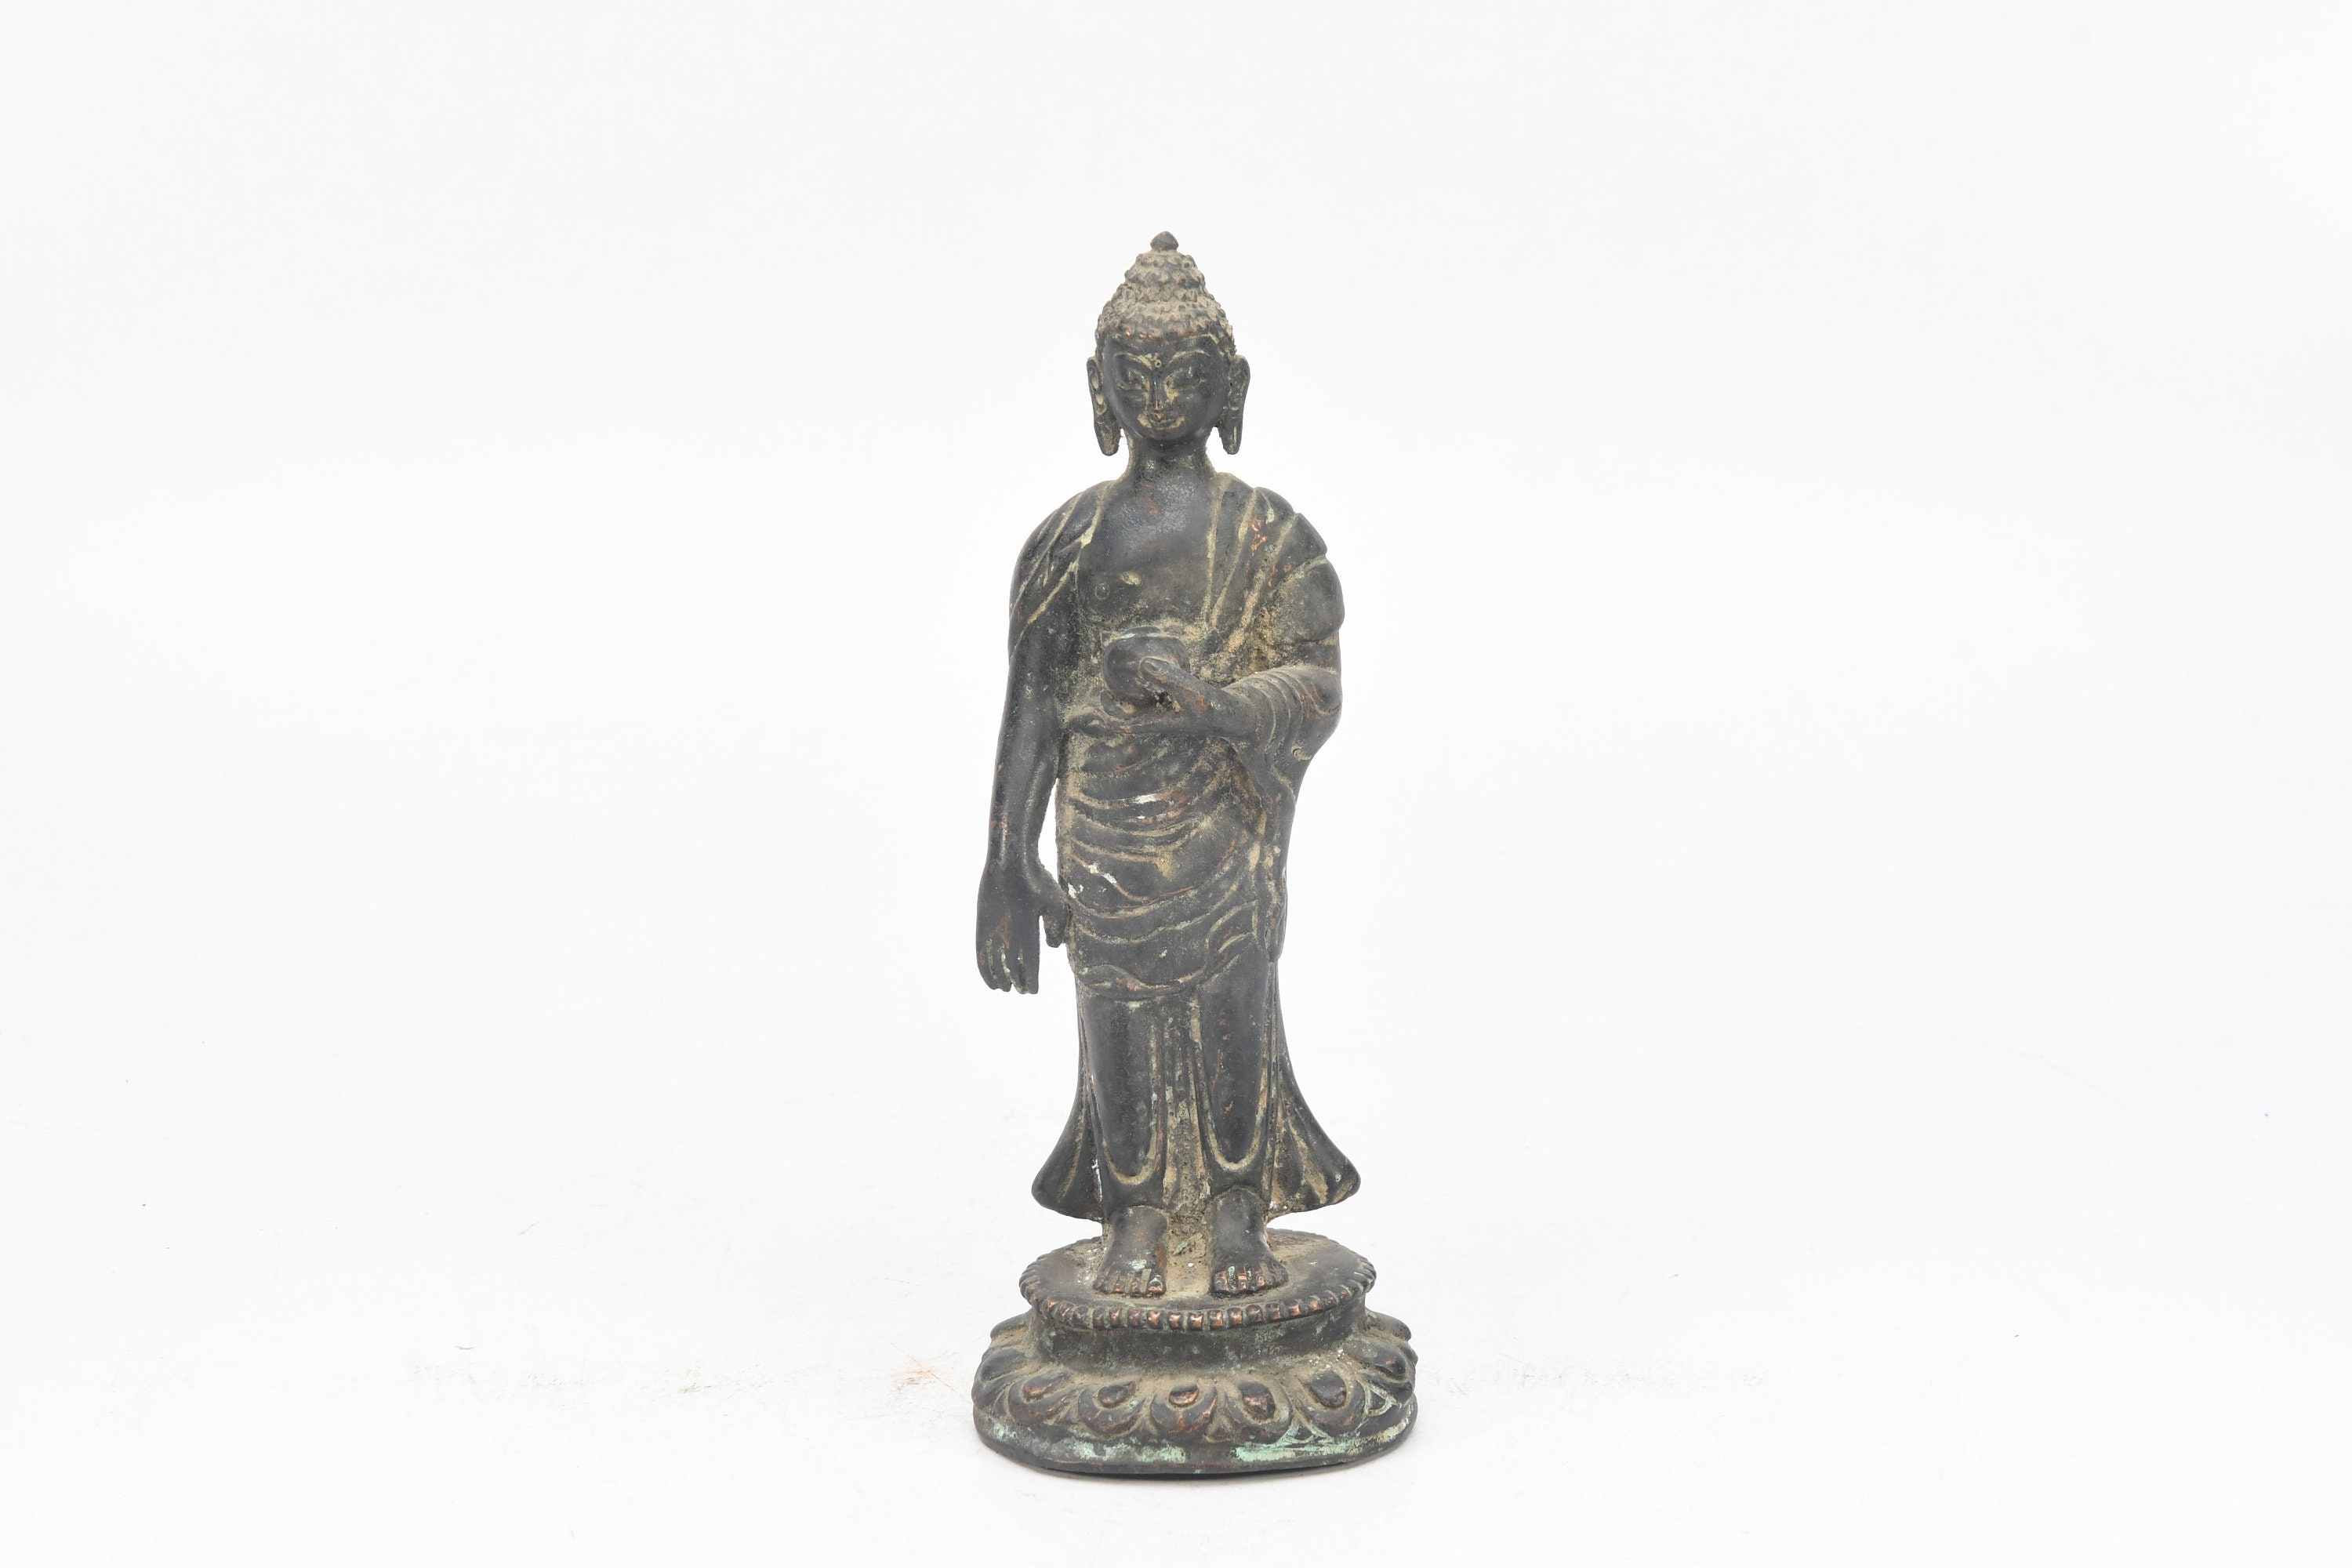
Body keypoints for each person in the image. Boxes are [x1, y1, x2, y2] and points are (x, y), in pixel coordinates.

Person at [976, 234, 1357, 1299]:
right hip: (1103, 823)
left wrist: (1219, 706)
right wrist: (1006, 859)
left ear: (1231, 387)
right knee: (1119, 1012)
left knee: (1235, 999)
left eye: (1185, 373)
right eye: (1134, 374)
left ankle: (1236, 1208)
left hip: (1223, 818)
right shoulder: (1067, 542)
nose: (1158, 395)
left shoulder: (1271, 535)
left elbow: (1318, 683)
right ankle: (1137, 1211)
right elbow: (1032, 706)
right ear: (1097, 388)